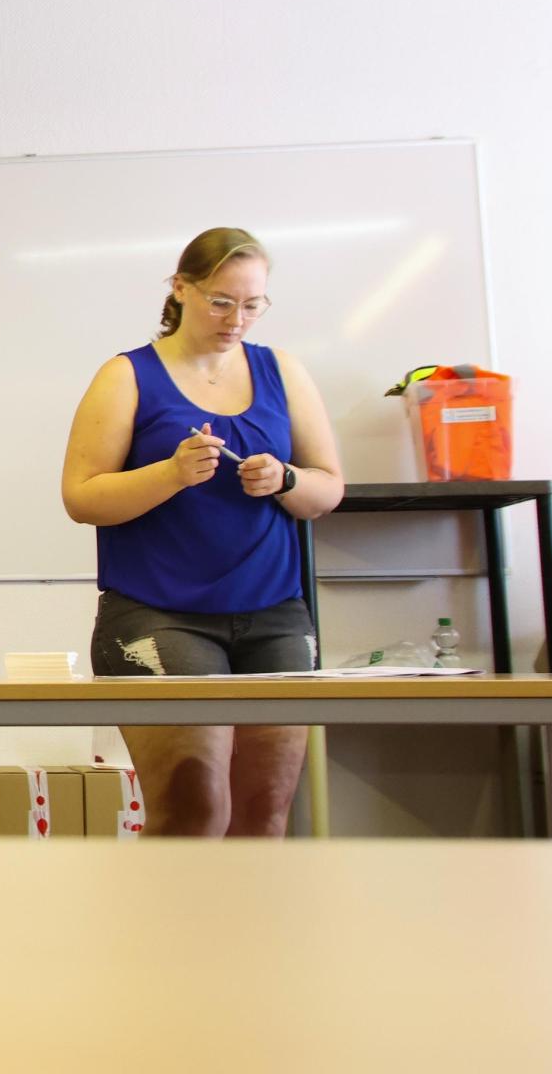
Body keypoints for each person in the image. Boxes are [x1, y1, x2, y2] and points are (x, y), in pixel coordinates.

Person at [59, 227, 345, 837]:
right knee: (193, 813)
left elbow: (328, 489)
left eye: (252, 305)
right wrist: (169, 474)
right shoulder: (127, 374)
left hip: (275, 615)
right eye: (220, 302)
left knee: (266, 813)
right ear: (180, 289)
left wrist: (286, 478)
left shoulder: (283, 370)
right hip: (160, 614)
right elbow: (81, 497)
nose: (235, 320)